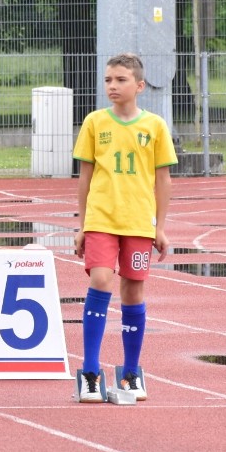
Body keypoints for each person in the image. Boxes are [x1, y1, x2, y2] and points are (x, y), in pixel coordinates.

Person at [73, 52, 177, 402]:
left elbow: (163, 181)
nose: (112, 86)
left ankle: (131, 372)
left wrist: (159, 228)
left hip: (138, 221)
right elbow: (84, 178)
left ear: (139, 85)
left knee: (133, 291)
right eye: (108, 80)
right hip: (102, 218)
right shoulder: (94, 123)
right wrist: (82, 224)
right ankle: (90, 371)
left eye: (120, 80)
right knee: (101, 279)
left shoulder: (155, 127)